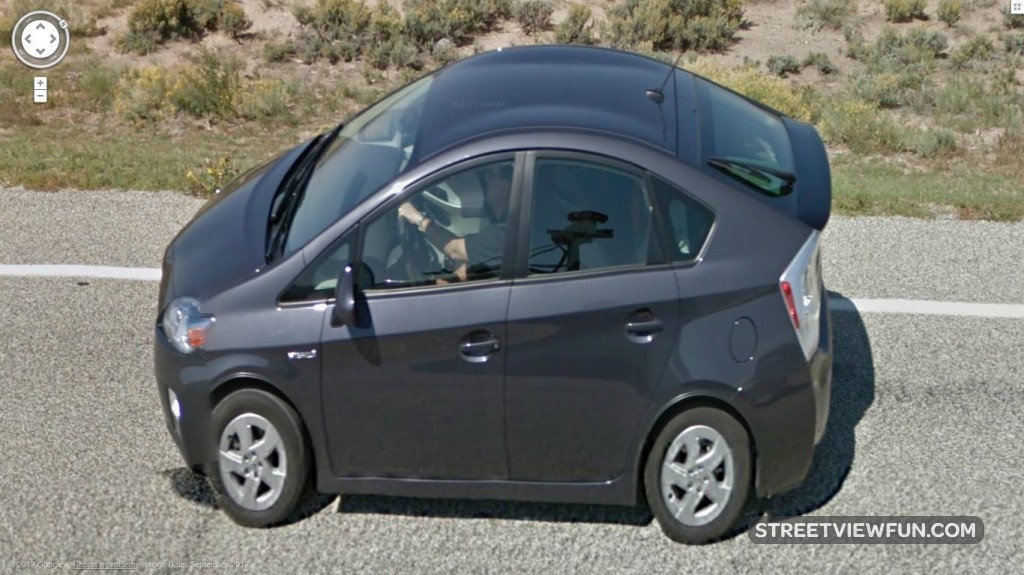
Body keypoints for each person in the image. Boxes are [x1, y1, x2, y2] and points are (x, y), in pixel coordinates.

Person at [397, 163, 512, 283]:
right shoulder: (508, 224)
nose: (485, 179)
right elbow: (471, 257)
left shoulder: (503, 233)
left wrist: (417, 218)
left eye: (490, 175)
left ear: (505, 188)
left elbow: (455, 249)